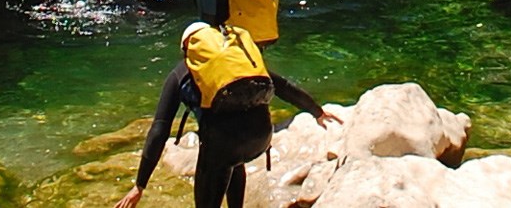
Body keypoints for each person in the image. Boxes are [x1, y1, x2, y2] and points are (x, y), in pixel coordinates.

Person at [114, 23, 342, 208]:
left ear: (187, 49)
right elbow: (283, 86)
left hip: (224, 142)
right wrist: (317, 111)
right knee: (234, 161)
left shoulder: (182, 71)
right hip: (261, 134)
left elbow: (159, 130)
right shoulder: (236, 61)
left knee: (223, 161)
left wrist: (139, 185)